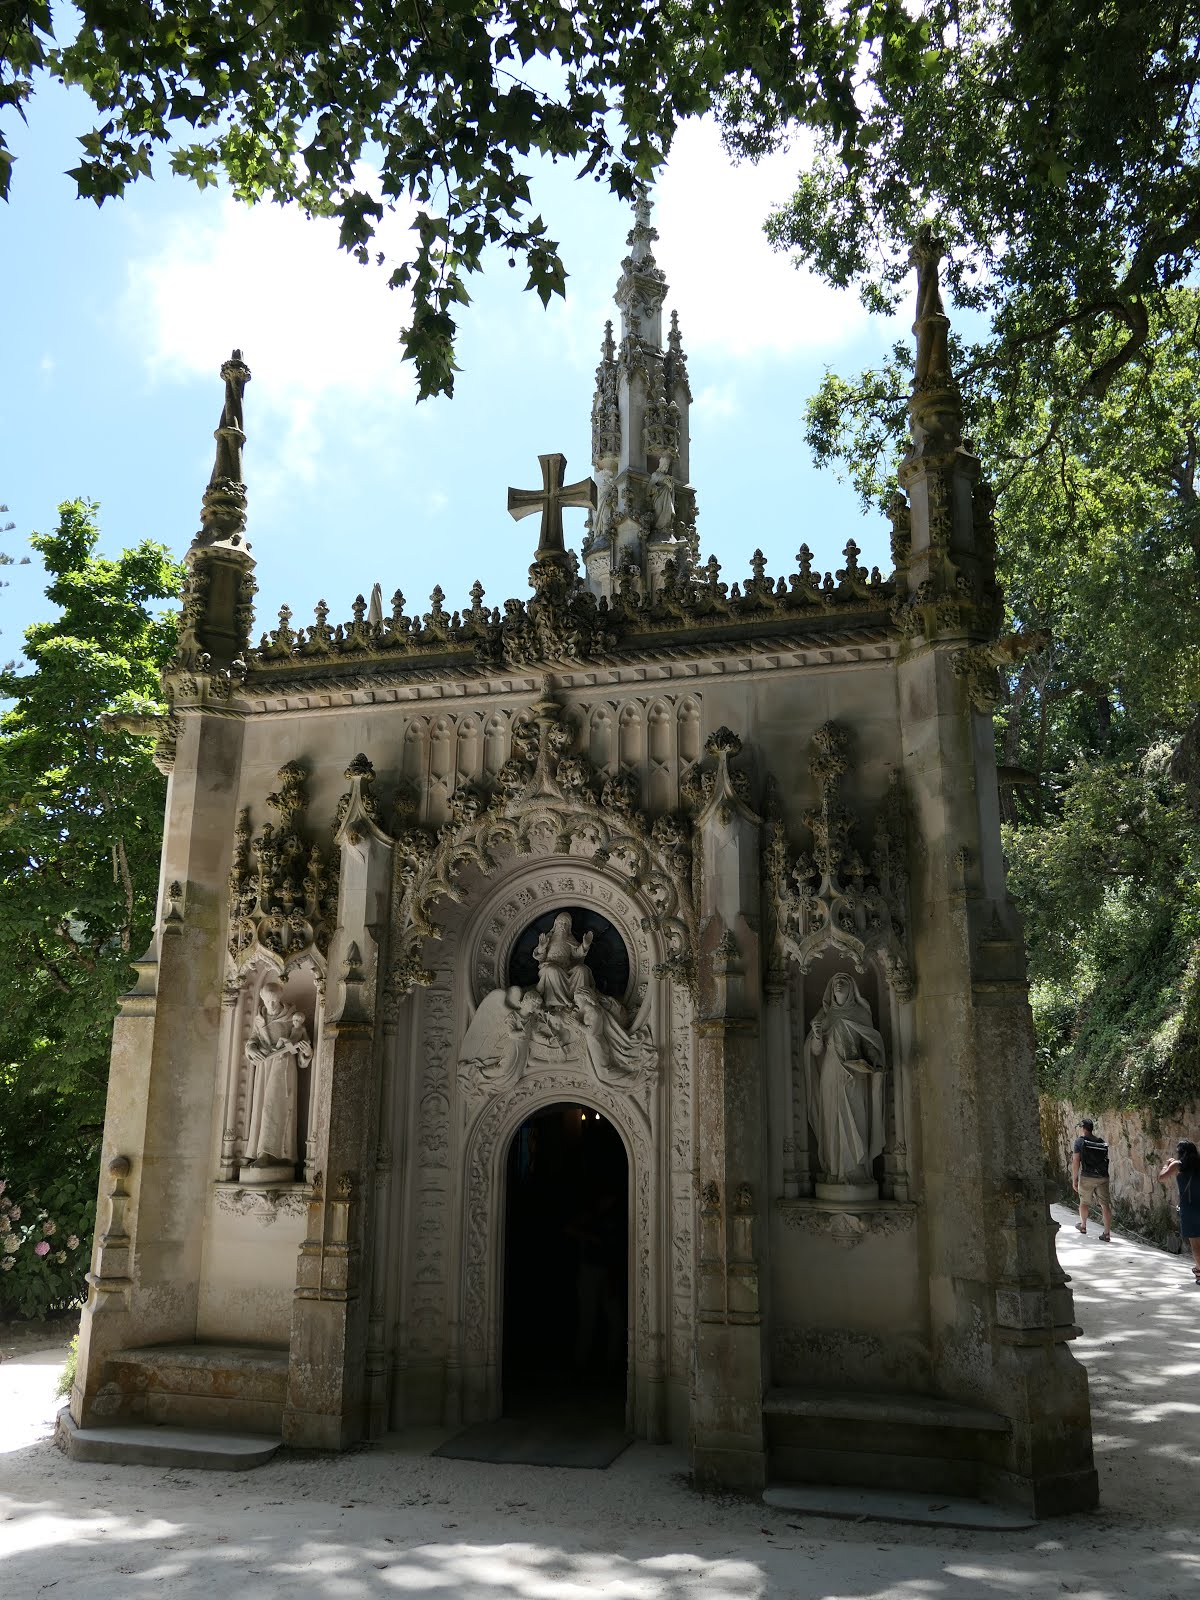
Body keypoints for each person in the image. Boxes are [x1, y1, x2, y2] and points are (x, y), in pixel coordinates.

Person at [804, 973, 887, 1189]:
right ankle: (834, 1171)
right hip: (830, 1071)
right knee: (832, 1118)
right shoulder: (824, 1015)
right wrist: (816, 1036)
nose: (839, 984)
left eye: (843, 981)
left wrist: (875, 1059)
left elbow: (869, 1043)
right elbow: (816, 1052)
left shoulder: (861, 1013)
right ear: (830, 990)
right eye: (835, 982)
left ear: (852, 989)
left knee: (856, 1117)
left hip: (854, 1071)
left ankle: (856, 1171)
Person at [1158, 1140, 1200, 1286]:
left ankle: (1199, 1271)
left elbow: (1161, 1178)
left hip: (1189, 1209)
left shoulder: (1177, 1165)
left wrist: (1166, 1165)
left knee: (1195, 1244)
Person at [1071, 1118, 1112, 1241]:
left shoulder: (1080, 1141)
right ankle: (1107, 1233)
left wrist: (1074, 1179)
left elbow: (1076, 1161)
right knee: (1105, 1205)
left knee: (1084, 1202)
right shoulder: (1101, 1142)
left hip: (1087, 1176)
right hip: (1102, 1176)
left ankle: (1083, 1226)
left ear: (1083, 1128)